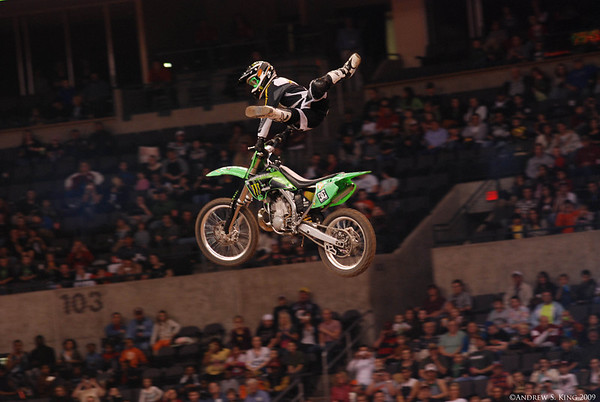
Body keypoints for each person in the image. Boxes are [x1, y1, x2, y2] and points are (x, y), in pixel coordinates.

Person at [240, 54, 361, 150]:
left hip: (311, 104)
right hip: (308, 116)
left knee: (316, 85)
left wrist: (260, 139)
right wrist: (281, 136)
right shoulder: (273, 91)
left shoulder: (275, 83)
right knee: (285, 114)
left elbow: (268, 110)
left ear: (263, 73)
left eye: (254, 81)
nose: (254, 86)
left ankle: (345, 71)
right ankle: (277, 114)